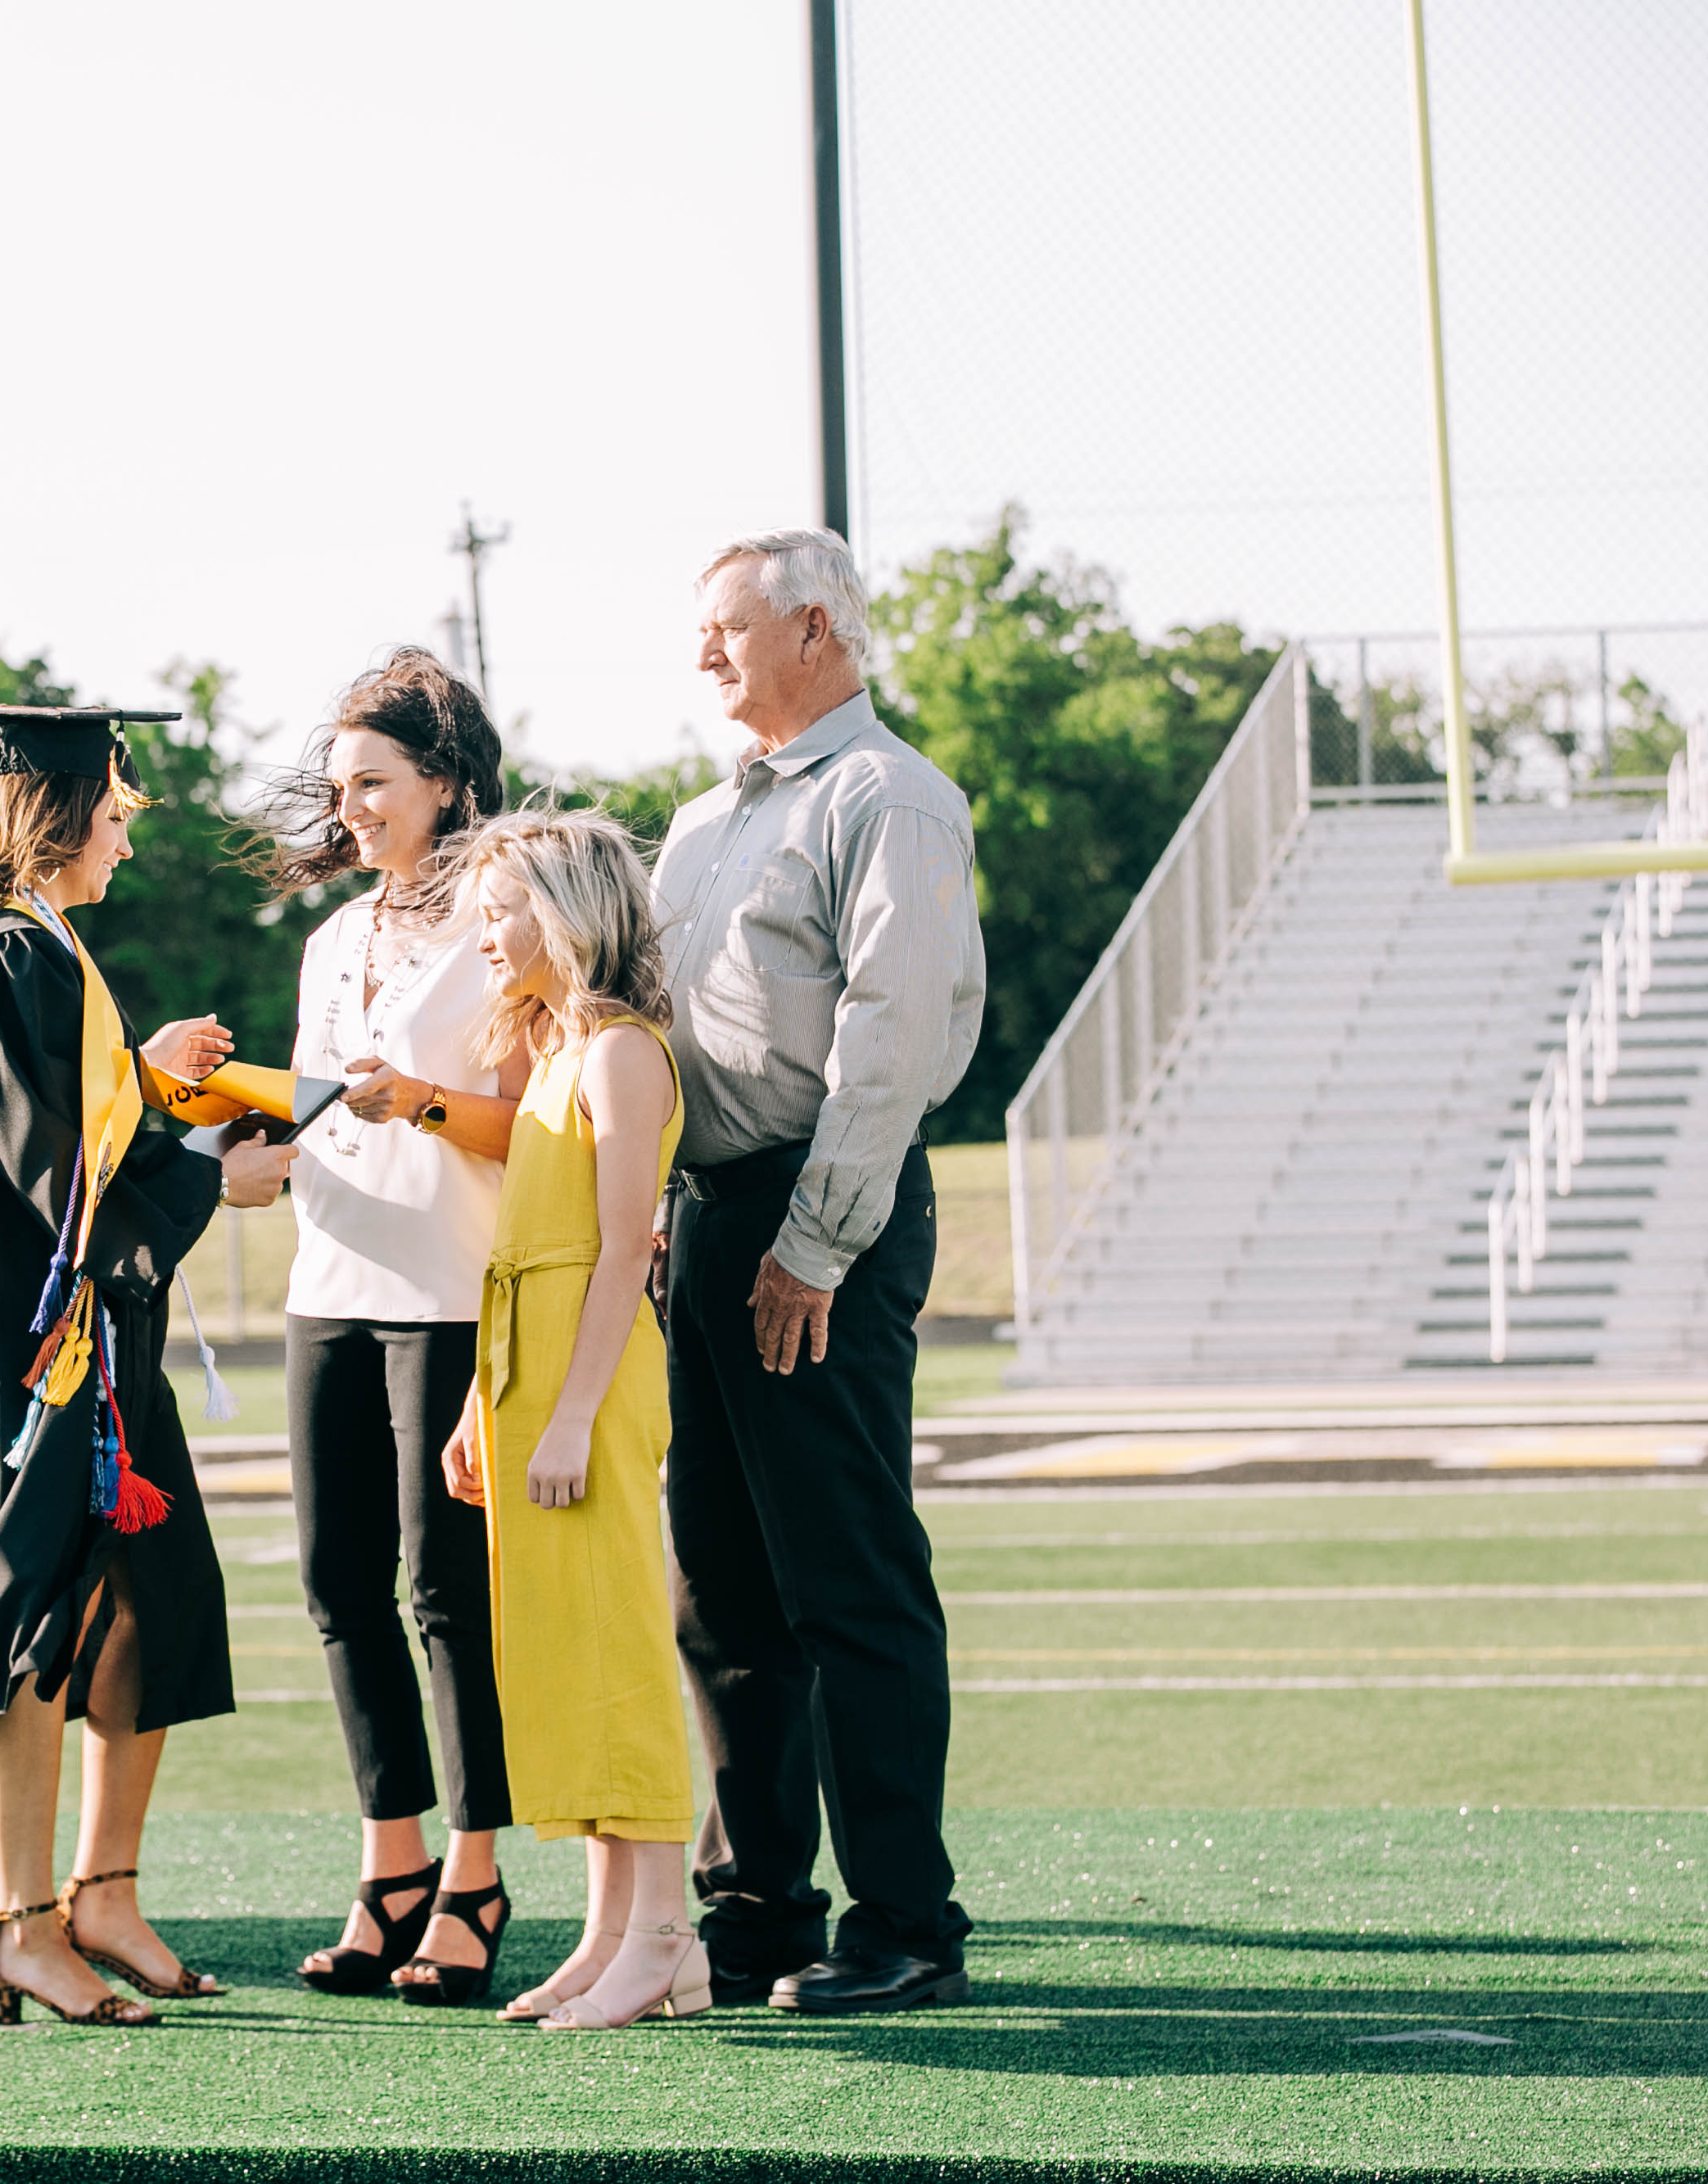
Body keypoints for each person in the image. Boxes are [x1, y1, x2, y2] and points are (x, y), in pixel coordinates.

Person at [0, 707, 288, 2028]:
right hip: (36, 1347)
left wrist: (151, 1086)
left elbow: (73, 1120)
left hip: (82, 1340)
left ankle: (103, 1895)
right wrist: (215, 1169)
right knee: (42, 1605)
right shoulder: (9, 961)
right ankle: (24, 1923)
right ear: (53, 819)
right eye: (112, 810)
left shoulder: (30, 953)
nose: (125, 833)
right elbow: (59, 1177)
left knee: (146, 1597)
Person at [653, 529, 988, 2015]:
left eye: (726, 628)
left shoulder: (891, 800)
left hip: (815, 1221)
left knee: (847, 1578)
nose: (704, 653)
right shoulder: (700, 822)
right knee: (721, 1591)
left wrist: (815, 1239)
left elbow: (891, 1036)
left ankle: (906, 1921)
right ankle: (762, 1908)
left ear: (812, 627)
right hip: (713, 1218)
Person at [230, 649, 529, 2005]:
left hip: (450, 1294)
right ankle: (391, 1869)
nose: (349, 806)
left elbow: (535, 1125)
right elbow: (306, 1110)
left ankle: (476, 1876)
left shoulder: (507, 922)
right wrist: (240, 1132)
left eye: (375, 782)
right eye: (340, 784)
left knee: (444, 1595)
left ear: (446, 784)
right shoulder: (330, 940)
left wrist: (416, 1103)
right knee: (338, 1589)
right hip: (328, 1288)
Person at [434, 805, 703, 2033]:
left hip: (587, 1377)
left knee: (620, 1651)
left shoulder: (621, 1056)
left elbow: (618, 1257)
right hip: (527, 1370)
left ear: (567, 913)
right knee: (566, 1654)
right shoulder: (554, 1052)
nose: (486, 935)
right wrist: (486, 1408)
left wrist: (571, 1415)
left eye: (503, 911)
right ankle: (609, 1935)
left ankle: (666, 1939)